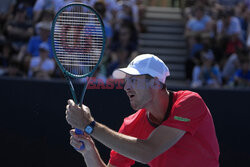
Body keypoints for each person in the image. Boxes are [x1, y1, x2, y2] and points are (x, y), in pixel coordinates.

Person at [66, 54, 220, 167]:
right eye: (126, 81)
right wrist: (89, 152)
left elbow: (147, 151)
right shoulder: (131, 125)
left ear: (155, 83)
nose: (126, 87)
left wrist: (89, 125)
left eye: (133, 80)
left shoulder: (190, 102)